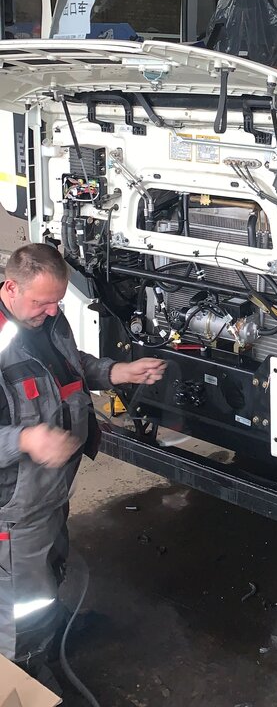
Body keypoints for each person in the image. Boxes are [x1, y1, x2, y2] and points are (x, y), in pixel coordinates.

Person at [0, 242, 166, 672]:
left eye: (57, 301)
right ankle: (26, 669)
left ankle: (51, 633)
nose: (52, 311)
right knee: (21, 598)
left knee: (48, 571)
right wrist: (26, 439)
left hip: (50, 489)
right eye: (41, 303)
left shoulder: (46, 319)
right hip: (14, 505)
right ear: (11, 288)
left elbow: (70, 366)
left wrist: (116, 372)